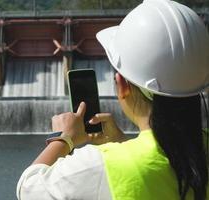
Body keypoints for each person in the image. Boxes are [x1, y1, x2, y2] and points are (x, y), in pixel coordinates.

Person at [16, 0, 209, 199]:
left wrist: (63, 138)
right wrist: (123, 143)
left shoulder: (100, 165)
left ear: (122, 84)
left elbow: (28, 189)